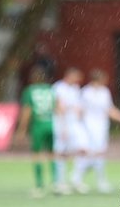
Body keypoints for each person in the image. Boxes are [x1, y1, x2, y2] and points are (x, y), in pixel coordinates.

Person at [77, 69, 120, 193]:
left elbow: (109, 109)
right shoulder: (86, 92)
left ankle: (94, 179)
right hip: (89, 127)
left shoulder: (104, 92)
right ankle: (79, 178)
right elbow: (80, 110)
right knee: (89, 153)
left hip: (101, 127)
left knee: (99, 153)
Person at [15, 67, 56, 198]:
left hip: (38, 124)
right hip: (51, 123)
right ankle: (55, 183)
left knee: (37, 155)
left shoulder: (29, 91)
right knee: (52, 154)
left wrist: (22, 130)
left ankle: (39, 186)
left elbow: (27, 111)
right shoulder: (51, 90)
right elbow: (59, 107)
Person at [52, 68, 87, 194]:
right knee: (61, 152)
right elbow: (58, 106)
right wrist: (63, 126)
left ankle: (76, 178)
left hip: (75, 123)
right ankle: (60, 181)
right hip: (61, 123)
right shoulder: (58, 87)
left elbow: (78, 106)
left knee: (83, 148)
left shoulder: (75, 89)